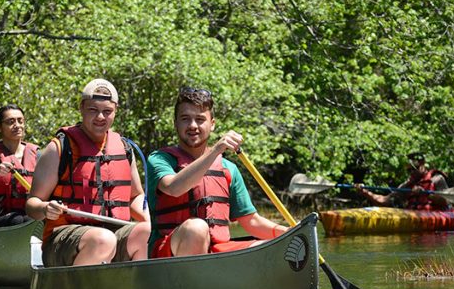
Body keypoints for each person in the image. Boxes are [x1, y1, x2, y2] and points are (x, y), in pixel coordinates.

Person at [145, 86, 288, 258]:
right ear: (175, 123)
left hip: (217, 251)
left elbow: (251, 221)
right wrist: (215, 151)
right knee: (196, 228)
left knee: (275, 249)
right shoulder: (160, 159)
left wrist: (292, 233)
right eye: (185, 119)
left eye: (200, 119)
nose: (192, 126)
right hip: (168, 253)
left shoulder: (228, 169)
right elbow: (174, 188)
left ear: (212, 124)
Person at [25, 79, 150, 266]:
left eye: (107, 111)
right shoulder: (58, 148)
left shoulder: (124, 148)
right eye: (93, 110)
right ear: (82, 108)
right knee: (103, 239)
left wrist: (149, 220)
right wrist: (45, 208)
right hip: (63, 240)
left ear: (115, 111)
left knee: (146, 231)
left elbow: (136, 196)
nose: (100, 116)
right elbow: (31, 205)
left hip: (111, 234)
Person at [355, 152, 449, 210]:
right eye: (409, 170)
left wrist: (426, 194)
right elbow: (384, 201)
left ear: (423, 164)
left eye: (414, 168)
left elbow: (446, 201)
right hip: (414, 216)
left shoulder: (437, 179)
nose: (411, 172)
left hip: (435, 215)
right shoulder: (407, 185)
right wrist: (364, 192)